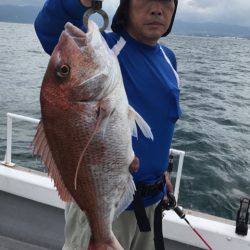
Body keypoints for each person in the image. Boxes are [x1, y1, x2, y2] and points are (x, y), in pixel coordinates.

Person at [34, 0, 181, 249]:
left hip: (153, 203)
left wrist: (161, 168)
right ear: (126, 6)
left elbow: (162, 119)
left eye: (167, 1)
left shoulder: (169, 59)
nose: (158, 8)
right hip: (100, 205)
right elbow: (49, 30)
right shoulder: (106, 48)